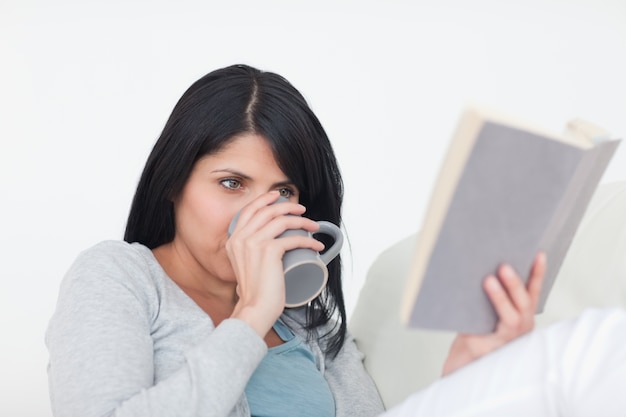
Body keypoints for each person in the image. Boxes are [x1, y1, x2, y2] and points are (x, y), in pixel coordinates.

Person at [46, 64, 626, 417]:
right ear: (174, 183)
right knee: (587, 353)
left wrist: (466, 373)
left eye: (280, 191)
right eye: (231, 183)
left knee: (575, 353)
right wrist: (249, 318)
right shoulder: (119, 276)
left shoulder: (307, 318)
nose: (257, 213)